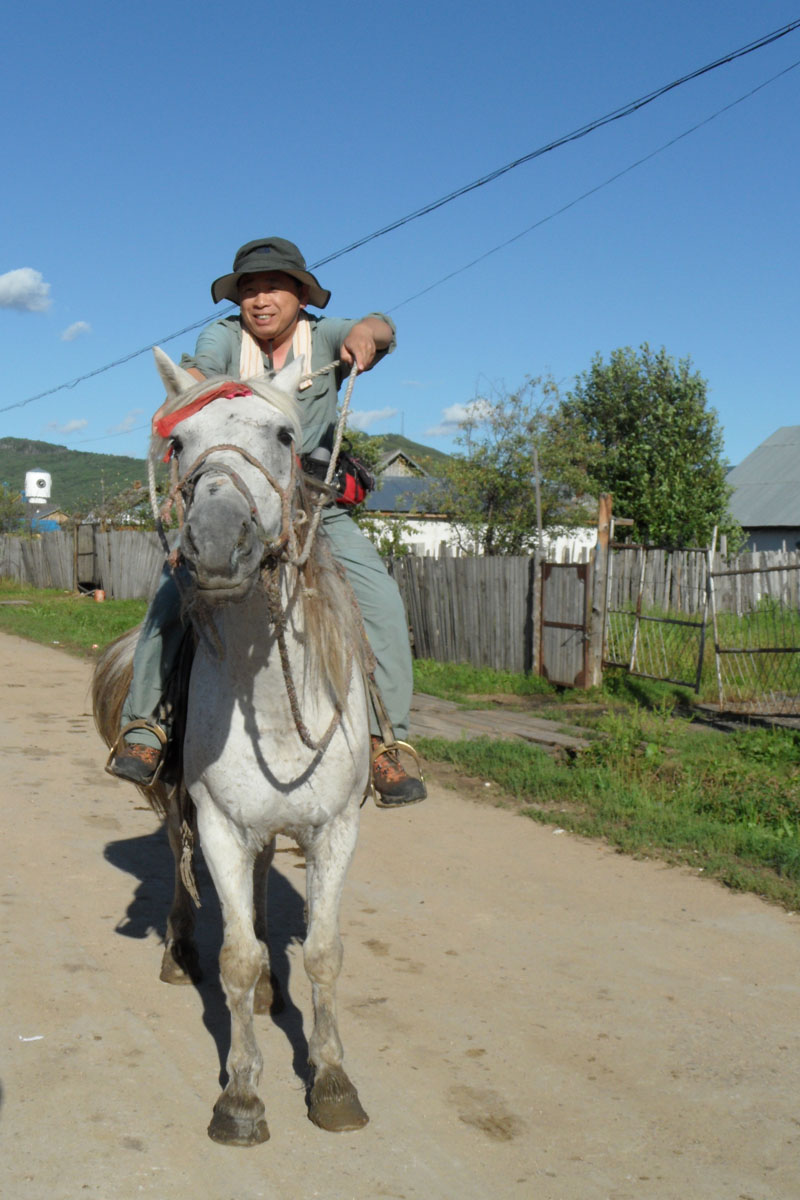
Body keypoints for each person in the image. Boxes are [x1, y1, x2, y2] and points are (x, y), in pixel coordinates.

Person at [109, 237, 426, 807]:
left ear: (301, 294)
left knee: (380, 599)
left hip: (312, 504)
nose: (260, 299)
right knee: (172, 595)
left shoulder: (326, 336)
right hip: (234, 501)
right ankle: (145, 725)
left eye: (273, 286)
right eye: (249, 289)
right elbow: (199, 373)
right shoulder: (224, 338)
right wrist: (185, 390)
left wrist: (368, 334)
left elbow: (381, 328)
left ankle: (388, 741)